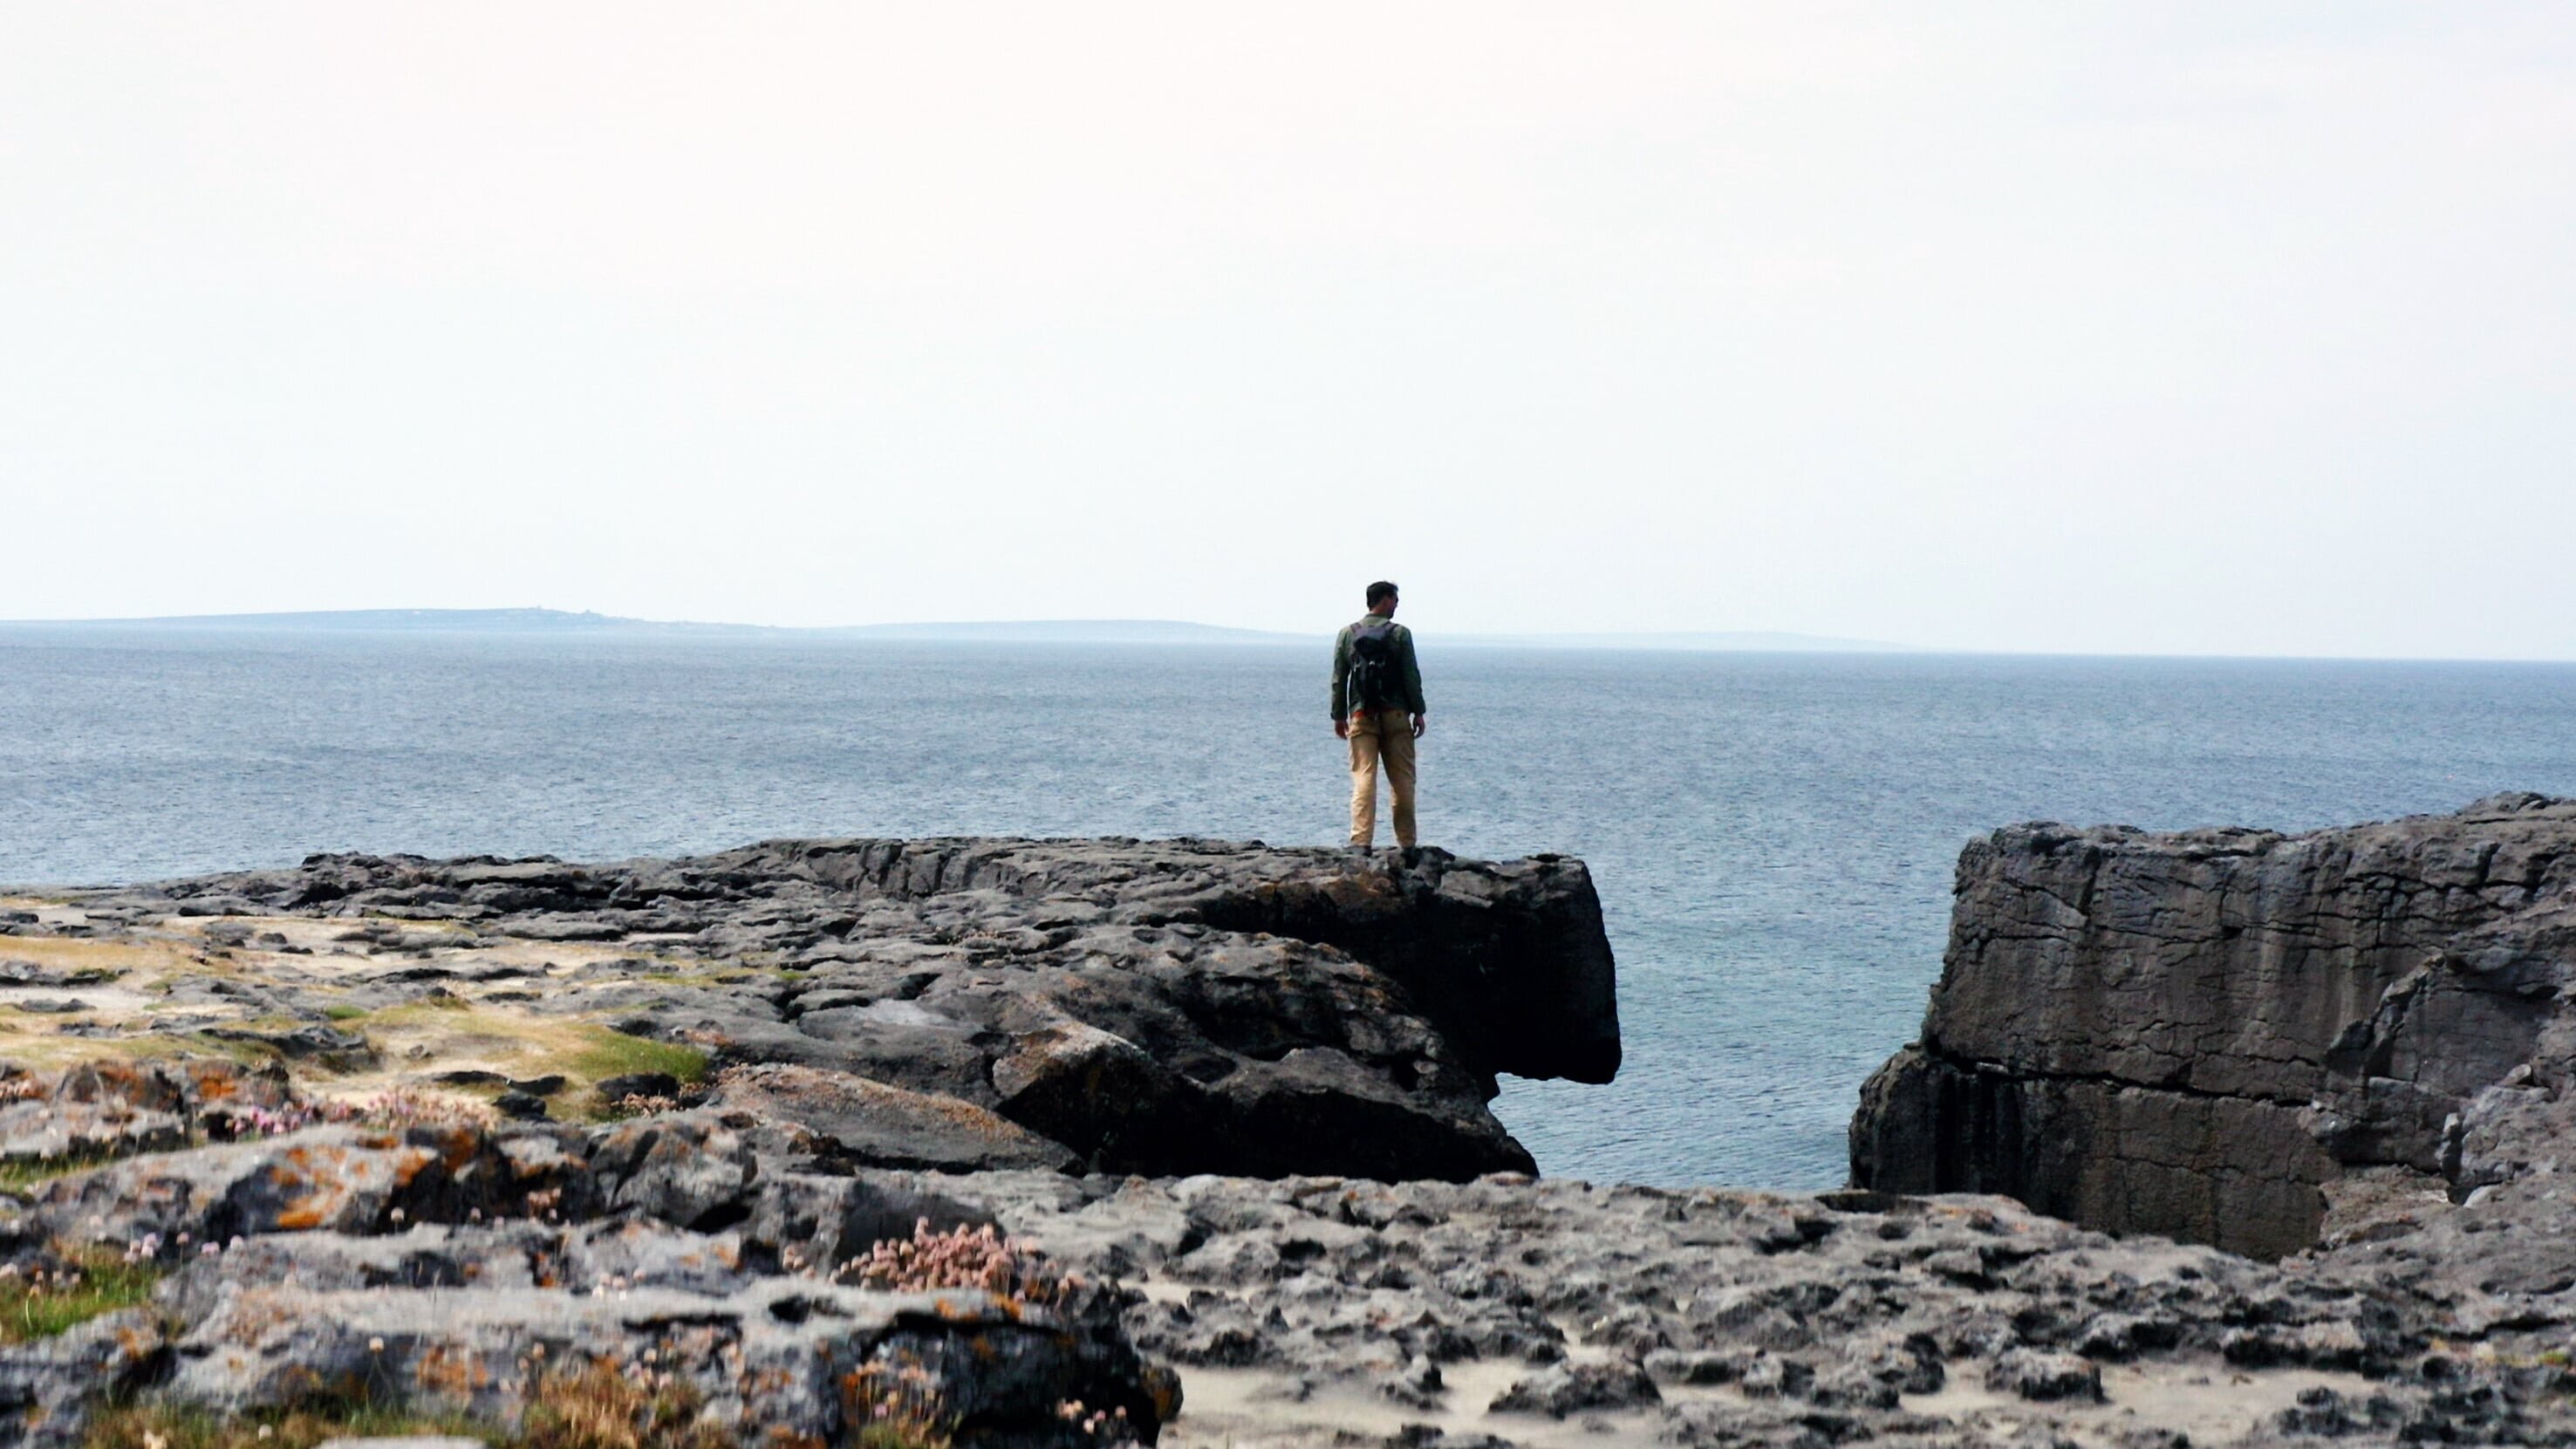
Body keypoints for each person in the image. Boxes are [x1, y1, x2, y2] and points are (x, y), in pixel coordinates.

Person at [1330, 580, 1428, 850]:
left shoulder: (1347, 634)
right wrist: (1418, 712)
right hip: (1396, 714)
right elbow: (1411, 676)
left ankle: (1361, 841)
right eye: (1395, 599)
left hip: (1362, 714)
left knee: (1364, 776)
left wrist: (1339, 716)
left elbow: (1339, 678)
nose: (1397, 604)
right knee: (1403, 781)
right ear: (1385, 600)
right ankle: (1407, 845)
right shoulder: (1400, 634)